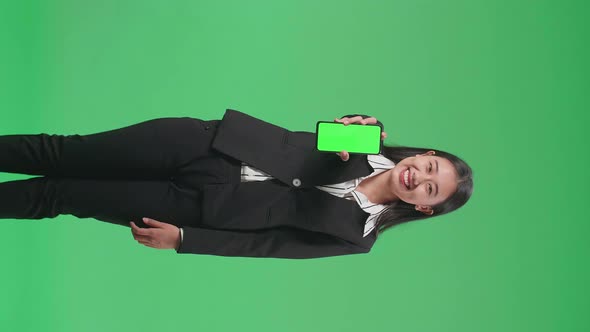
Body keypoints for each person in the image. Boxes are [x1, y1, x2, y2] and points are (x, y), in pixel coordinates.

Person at [0, 109, 473, 259]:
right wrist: (346, 127)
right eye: (430, 168)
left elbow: (268, 246)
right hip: (206, 146)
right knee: (61, 151)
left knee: (58, 195)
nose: (420, 178)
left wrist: (185, 240)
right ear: (424, 155)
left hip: (198, 206)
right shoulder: (366, 135)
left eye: (431, 189)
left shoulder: (357, 237)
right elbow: (309, 142)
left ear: (424, 209)